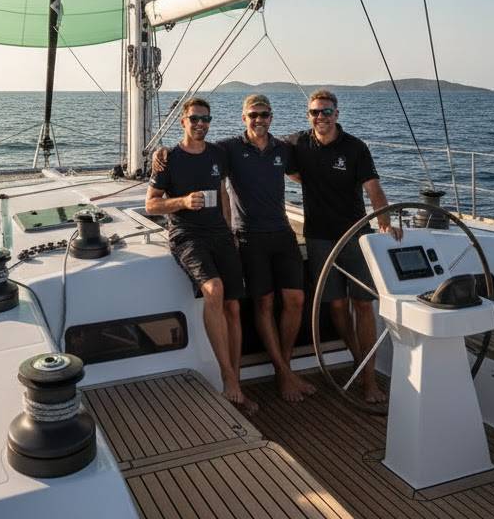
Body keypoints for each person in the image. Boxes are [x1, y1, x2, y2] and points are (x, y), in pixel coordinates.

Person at [154, 94, 314, 403]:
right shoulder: (228, 148)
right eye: (253, 115)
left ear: (271, 117)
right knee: (261, 302)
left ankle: (282, 368)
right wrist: (161, 153)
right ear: (244, 118)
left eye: (264, 114)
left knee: (294, 299)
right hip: (248, 236)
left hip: (279, 232)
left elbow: (307, 161)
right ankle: (279, 374)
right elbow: (188, 158)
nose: (259, 119)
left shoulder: (281, 149)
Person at [287, 89, 397, 405]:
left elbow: (373, 187)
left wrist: (386, 221)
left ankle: (369, 378)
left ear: (337, 113)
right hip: (319, 236)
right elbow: (264, 147)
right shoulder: (298, 143)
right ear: (308, 116)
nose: (320, 117)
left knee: (362, 305)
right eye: (314, 112)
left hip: (355, 235)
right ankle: (359, 361)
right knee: (336, 306)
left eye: (326, 111)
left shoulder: (355, 148)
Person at [145, 97, 254, 411]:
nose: (200, 124)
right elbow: (152, 204)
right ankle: (227, 378)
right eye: (194, 119)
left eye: (205, 119)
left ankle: (237, 380)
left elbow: (221, 191)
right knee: (214, 289)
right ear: (183, 122)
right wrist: (182, 201)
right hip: (186, 235)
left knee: (233, 307)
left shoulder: (219, 153)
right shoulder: (168, 159)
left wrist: (230, 231)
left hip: (220, 234)